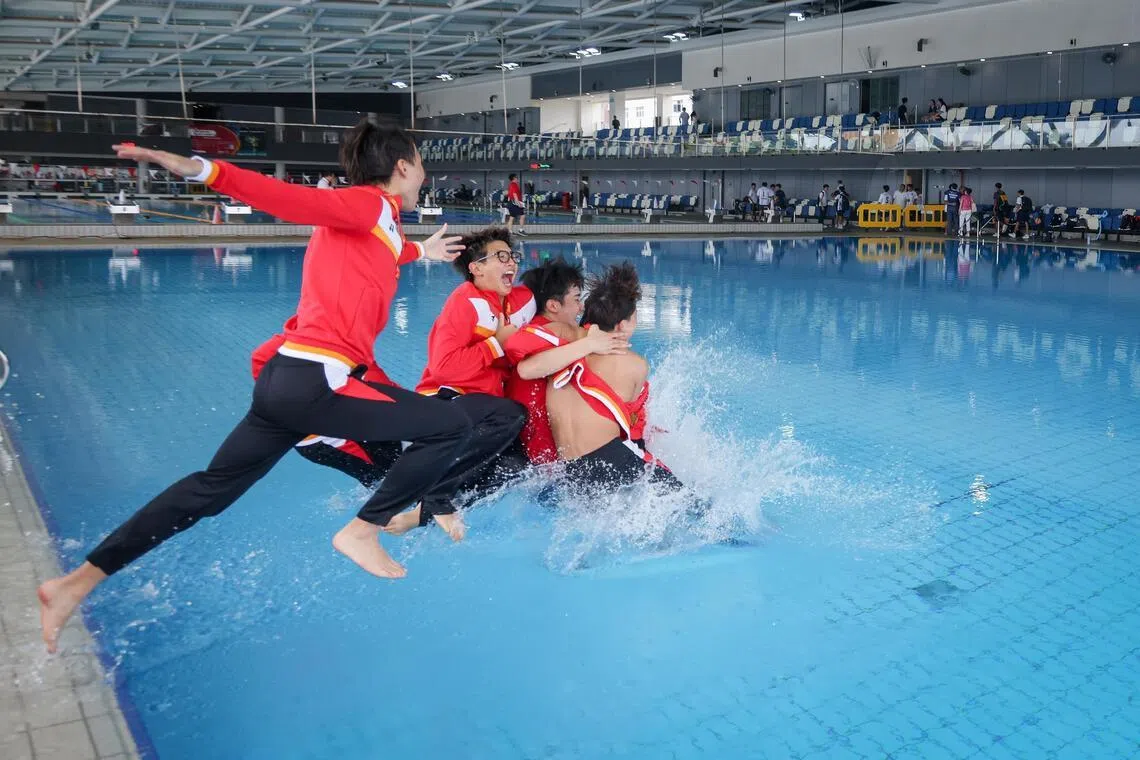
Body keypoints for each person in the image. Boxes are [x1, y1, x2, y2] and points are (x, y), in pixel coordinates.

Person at [36, 122, 501, 653]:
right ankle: (364, 528)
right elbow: (288, 199)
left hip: (285, 379)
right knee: (448, 426)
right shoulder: (366, 206)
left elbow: (383, 255)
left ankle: (74, 585)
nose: (424, 172)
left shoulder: (381, 224)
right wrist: (201, 169)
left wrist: (422, 253)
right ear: (401, 167)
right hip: (316, 381)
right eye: (420, 162)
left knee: (208, 491)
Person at [547, 262, 681, 491]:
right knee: (690, 501)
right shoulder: (635, 364)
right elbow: (632, 431)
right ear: (621, 326)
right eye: (635, 319)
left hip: (567, 468)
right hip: (608, 461)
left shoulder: (560, 349)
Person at [505, 258, 629, 465]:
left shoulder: (561, 333)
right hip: (542, 458)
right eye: (576, 299)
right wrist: (589, 345)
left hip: (546, 453)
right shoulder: (539, 331)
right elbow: (527, 369)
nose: (580, 307)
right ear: (553, 305)